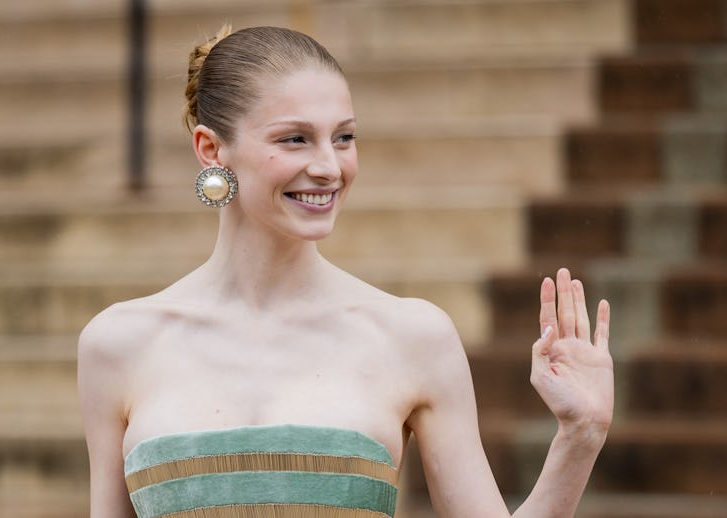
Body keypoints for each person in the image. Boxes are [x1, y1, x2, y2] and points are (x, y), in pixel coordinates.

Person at [78, 25, 614, 518]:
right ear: (211, 149)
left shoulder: (412, 335)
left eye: (344, 137)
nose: (330, 168)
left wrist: (581, 435)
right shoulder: (118, 343)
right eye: (295, 138)